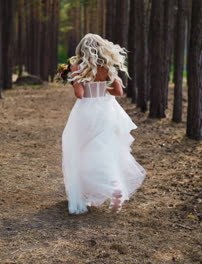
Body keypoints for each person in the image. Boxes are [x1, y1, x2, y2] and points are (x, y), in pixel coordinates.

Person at [62, 33, 146, 215]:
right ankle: (114, 186)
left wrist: (74, 78)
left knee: (83, 149)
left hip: (86, 111)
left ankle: (92, 190)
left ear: (82, 49)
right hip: (108, 111)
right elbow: (118, 92)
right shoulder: (107, 65)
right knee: (105, 148)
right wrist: (101, 87)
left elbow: (80, 94)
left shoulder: (77, 66)